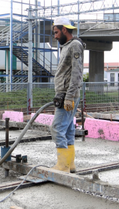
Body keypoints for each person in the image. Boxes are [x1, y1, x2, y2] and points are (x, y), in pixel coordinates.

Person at [50, 17, 85, 173]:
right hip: (64, 93)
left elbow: (77, 73)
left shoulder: (75, 45)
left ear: (64, 29)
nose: (55, 36)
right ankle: (70, 165)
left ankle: (62, 166)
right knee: (69, 128)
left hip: (67, 94)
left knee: (57, 128)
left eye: (57, 32)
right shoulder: (66, 46)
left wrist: (69, 96)